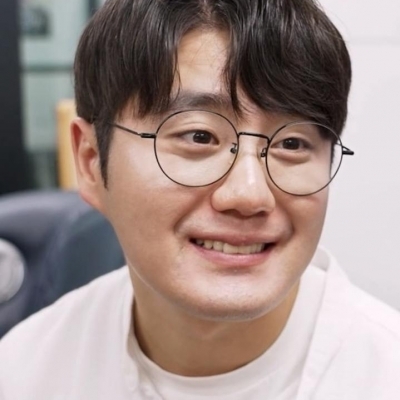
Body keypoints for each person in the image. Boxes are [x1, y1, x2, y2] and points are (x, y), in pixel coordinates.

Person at [1, 0, 400, 398]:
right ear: (91, 161)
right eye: (199, 136)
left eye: (292, 143)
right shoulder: (25, 371)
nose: (249, 194)